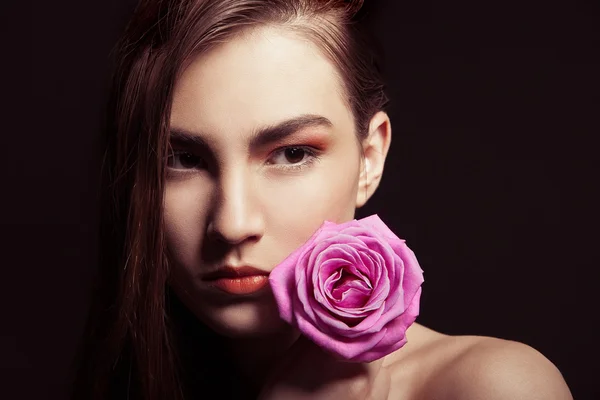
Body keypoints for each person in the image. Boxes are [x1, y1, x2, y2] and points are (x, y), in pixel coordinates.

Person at [71, 0, 573, 399]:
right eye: (181, 158)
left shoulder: (492, 388)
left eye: (291, 154)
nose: (232, 222)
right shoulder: (122, 379)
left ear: (369, 158)